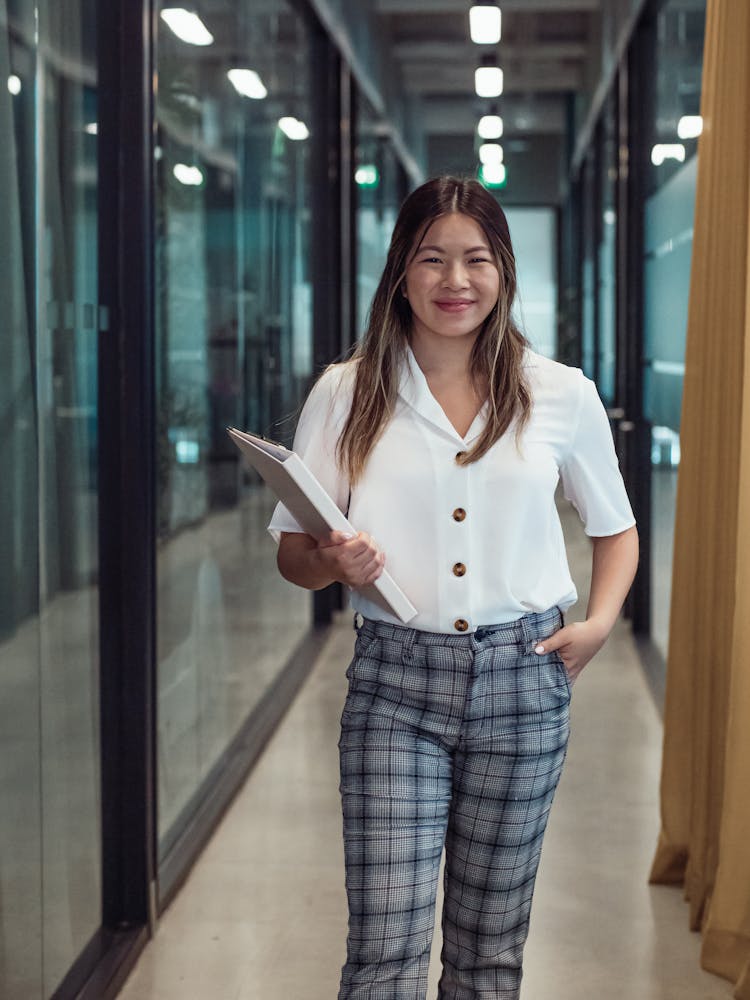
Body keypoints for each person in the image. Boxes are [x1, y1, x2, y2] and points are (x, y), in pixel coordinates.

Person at [268, 176, 638, 1000]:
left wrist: (602, 622)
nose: (454, 281)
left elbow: (615, 527)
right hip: (395, 688)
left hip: (524, 681)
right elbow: (294, 555)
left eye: (475, 260)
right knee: (385, 953)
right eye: (432, 259)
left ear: (502, 271)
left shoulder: (559, 393)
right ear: (401, 271)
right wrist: (336, 564)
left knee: (488, 954)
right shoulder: (347, 389)